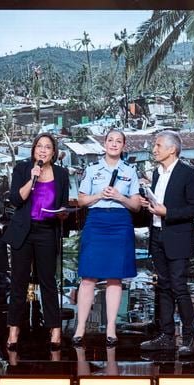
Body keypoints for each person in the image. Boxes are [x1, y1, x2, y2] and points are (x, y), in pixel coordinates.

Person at [71, 129, 141, 348]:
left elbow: (137, 206)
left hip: (120, 223)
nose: (114, 144)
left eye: (118, 141)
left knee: (115, 277)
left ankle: (111, 327)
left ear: (123, 145)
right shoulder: (92, 170)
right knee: (88, 276)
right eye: (110, 140)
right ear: (104, 144)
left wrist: (120, 196)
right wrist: (100, 195)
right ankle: (80, 327)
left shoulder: (130, 171)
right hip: (96, 221)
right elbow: (82, 201)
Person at [139, 130, 194, 357]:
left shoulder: (188, 173)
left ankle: (189, 336)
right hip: (157, 236)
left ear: (171, 149)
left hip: (178, 237)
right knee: (163, 287)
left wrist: (168, 212)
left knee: (179, 287)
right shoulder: (157, 174)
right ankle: (166, 336)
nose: (154, 149)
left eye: (158, 145)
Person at [2, 133, 69, 352]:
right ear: (34, 150)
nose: (43, 150)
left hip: (47, 231)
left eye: (47, 147)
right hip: (24, 230)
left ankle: (55, 328)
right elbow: (16, 199)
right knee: (19, 282)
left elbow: (63, 203)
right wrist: (32, 179)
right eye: (39, 146)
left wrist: (62, 213)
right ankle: (14, 329)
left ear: (53, 152)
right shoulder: (22, 170)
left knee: (48, 282)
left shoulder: (61, 173)